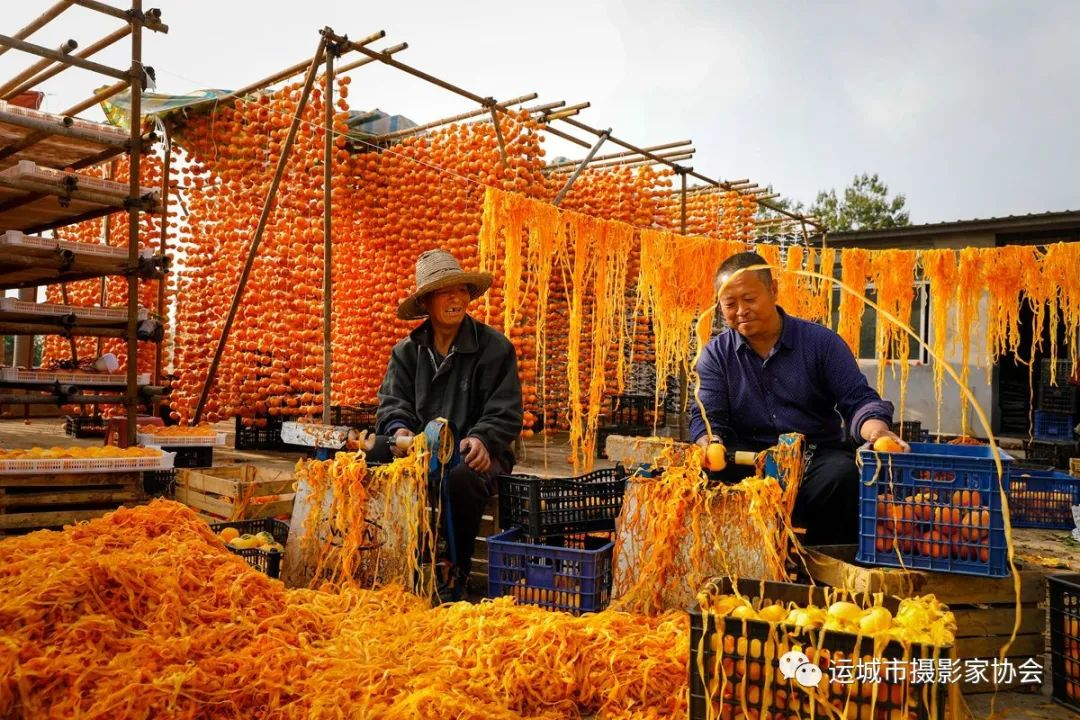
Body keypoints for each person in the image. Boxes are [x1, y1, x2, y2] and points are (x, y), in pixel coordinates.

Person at [688, 251, 908, 545]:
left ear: (773, 291)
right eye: (729, 304)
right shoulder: (715, 355)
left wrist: (878, 432)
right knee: (700, 484)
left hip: (813, 459)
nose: (740, 310)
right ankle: (735, 568)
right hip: (747, 461)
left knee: (843, 476)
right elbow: (707, 417)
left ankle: (827, 572)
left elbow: (858, 401)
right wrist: (711, 442)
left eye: (749, 299)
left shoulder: (820, 343)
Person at [373, 249, 524, 591]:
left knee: (459, 475)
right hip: (419, 451)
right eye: (445, 291)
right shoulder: (406, 352)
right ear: (426, 302)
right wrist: (400, 432)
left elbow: (506, 409)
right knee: (370, 458)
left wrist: (484, 438)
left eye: (461, 290)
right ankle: (390, 557)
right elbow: (392, 403)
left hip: (477, 452)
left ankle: (455, 565)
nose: (456, 298)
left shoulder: (495, 348)